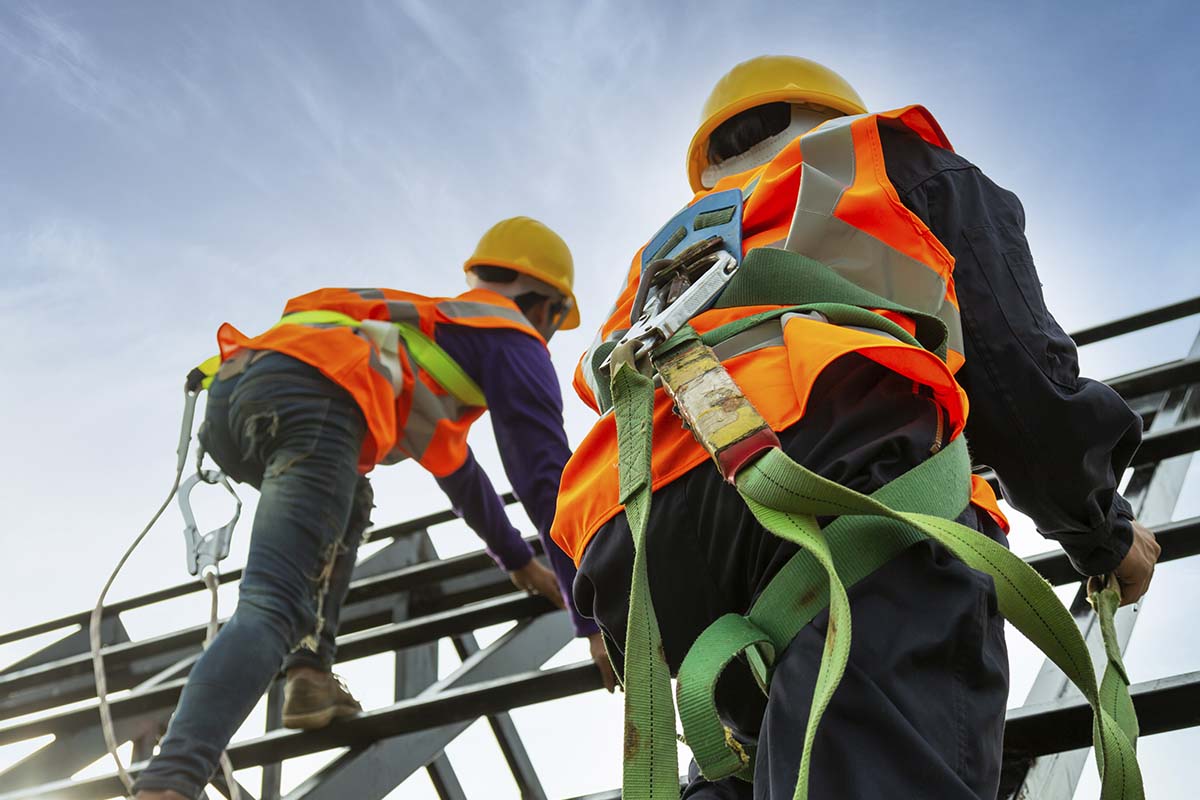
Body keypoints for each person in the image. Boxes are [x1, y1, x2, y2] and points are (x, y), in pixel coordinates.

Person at [551, 56, 1161, 799]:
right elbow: (1012, 364)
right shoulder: (881, 157)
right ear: (832, 110)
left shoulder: (664, 257)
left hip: (634, 544)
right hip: (837, 468)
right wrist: (1100, 530)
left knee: (753, 753)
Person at [133, 216, 614, 800]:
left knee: (349, 500)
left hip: (237, 397)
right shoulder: (511, 336)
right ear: (546, 306)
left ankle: (309, 673)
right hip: (318, 400)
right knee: (270, 604)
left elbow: (464, 479)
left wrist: (519, 563)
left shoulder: (430, 334)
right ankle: (172, 780)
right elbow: (547, 482)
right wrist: (594, 614)